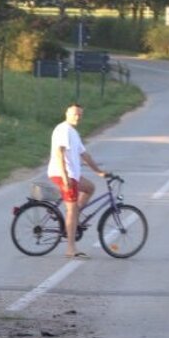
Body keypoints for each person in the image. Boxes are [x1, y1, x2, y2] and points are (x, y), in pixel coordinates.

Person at [47, 103, 107, 259]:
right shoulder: (64, 130)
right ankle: (70, 248)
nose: (77, 117)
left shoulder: (73, 132)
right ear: (67, 113)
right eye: (75, 114)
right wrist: (65, 176)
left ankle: (73, 219)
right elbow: (59, 153)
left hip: (72, 174)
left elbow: (85, 155)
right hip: (63, 174)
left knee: (90, 188)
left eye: (80, 114)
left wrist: (99, 172)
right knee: (72, 210)